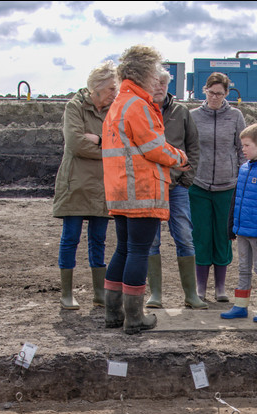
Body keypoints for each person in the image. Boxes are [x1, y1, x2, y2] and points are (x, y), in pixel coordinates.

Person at [101, 45, 190, 335]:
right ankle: (134, 318)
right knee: (138, 250)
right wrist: (180, 158)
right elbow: (153, 147)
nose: (157, 80)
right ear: (143, 73)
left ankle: (113, 313)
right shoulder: (137, 105)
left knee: (124, 249)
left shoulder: (119, 103)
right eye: (154, 73)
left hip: (120, 190)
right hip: (142, 189)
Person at [52, 61, 117, 310]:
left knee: (98, 240)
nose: (114, 92)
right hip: (76, 183)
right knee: (70, 238)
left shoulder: (113, 110)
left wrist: (99, 140)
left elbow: (121, 142)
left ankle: (99, 293)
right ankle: (66, 293)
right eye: (111, 88)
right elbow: (75, 144)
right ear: (96, 87)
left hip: (102, 186)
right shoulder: (74, 107)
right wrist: (109, 149)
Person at [145, 66, 204, 309]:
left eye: (163, 83)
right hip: (149, 188)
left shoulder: (181, 112)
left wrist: (187, 178)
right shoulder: (142, 110)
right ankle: (155, 295)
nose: (159, 87)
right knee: (151, 241)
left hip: (177, 187)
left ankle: (191, 295)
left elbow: (194, 147)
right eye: (154, 83)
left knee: (185, 238)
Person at [189, 72, 246, 303]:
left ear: (226, 93)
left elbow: (242, 149)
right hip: (198, 185)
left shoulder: (235, 116)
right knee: (201, 235)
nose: (215, 97)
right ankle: (200, 288)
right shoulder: (192, 116)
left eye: (220, 94)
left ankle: (220, 288)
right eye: (211, 93)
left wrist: (242, 176)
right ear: (205, 91)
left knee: (223, 236)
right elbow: (187, 148)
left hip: (227, 186)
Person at [221, 122, 257, 323]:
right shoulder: (245, 168)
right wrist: (231, 225)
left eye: (247, 145)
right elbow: (235, 198)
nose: (243, 149)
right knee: (243, 268)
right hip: (242, 230)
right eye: (242, 145)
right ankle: (241, 305)